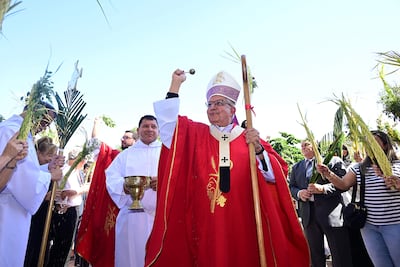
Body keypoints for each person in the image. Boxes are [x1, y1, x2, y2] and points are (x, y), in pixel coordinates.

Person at [145, 69, 309, 266]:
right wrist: (175, 85)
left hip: (244, 219)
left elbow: (275, 176)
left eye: (219, 103)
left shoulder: (249, 139)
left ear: (233, 110)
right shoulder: (196, 135)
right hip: (205, 222)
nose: (213, 108)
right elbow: (168, 125)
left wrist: (258, 150)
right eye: (210, 104)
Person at [317, 130, 400, 267]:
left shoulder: (397, 165)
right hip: (369, 226)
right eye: (366, 143)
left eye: (373, 142)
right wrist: (329, 174)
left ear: (385, 145)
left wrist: (397, 184)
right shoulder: (359, 168)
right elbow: (343, 185)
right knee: (381, 264)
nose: (369, 146)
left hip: (395, 224)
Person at [0, 102, 64, 267]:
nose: (43, 128)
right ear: (33, 113)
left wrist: (46, 168)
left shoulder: (23, 133)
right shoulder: (13, 131)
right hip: (7, 211)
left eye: (47, 125)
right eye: (43, 122)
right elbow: (18, 179)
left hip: (13, 210)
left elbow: (25, 171)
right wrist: (49, 176)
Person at [75, 118, 138, 267]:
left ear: (135, 140)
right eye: (122, 137)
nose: (123, 139)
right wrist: (96, 125)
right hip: (113, 212)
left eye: (127, 137)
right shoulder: (114, 156)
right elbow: (96, 144)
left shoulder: (148, 158)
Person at [106, 115, 161, 267]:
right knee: (130, 260)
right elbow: (111, 178)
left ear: (159, 131)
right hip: (132, 220)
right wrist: (124, 186)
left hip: (160, 219)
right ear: (138, 130)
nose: (149, 129)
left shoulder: (166, 154)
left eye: (153, 126)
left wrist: (164, 183)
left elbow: (178, 178)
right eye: (145, 126)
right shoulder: (126, 155)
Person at [289, 139, 353, 267]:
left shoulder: (333, 161)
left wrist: (323, 189)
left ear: (315, 146)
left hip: (331, 214)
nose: (303, 147)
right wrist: (299, 193)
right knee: (315, 256)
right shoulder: (296, 167)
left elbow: (344, 184)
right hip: (309, 216)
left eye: (306, 144)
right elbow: (292, 187)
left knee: (340, 254)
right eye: (302, 146)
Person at [46, 148, 88, 267]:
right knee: (61, 246)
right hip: (65, 210)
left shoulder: (74, 172)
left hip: (72, 210)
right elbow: (65, 192)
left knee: (66, 245)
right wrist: (83, 190)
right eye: (83, 159)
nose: (84, 162)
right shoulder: (66, 171)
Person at [24, 137, 59, 267]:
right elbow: (28, 192)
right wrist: (46, 196)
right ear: (38, 153)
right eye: (48, 155)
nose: (50, 159)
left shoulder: (47, 169)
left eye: (53, 156)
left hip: (44, 214)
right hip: (34, 215)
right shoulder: (30, 168)